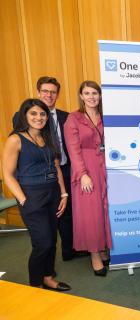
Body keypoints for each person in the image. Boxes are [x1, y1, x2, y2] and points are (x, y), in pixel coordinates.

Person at [2, 98, 71, 291]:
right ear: (25, 115)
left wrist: (64, 194)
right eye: (33, 113)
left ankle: (48, 277)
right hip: (31, 196)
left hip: (53, 194)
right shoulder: (15, 139)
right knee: (43, 242)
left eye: (42, 114)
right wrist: (23, 200)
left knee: (52, 241)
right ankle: (35, 285)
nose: (38, 117)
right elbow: (7, 174)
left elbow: (56, 166)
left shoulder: (47, 137)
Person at [13, 76, 78, 261]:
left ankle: (69, 251)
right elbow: (23, 151)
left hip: (63, 169)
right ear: (38, 92)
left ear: (57, 95)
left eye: (53, 92)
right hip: (35, 180)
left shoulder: (67, 117)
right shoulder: (22, 117)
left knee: (65, 213)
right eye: (45, 91)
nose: (49, 95)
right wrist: (23, 196)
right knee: (44, 232)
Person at [64, 80, 112, 276]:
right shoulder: (73, 119)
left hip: (106, 167)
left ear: (99, 96)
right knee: (91, 214)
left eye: (95, 93)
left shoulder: (105, 117)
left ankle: (102, 247)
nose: (92, 97)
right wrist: (83, 175)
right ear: (81, 96)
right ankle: (94, 254)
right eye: (87, 93)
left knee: (104, 209)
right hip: (86, 169)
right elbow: (73, 150)